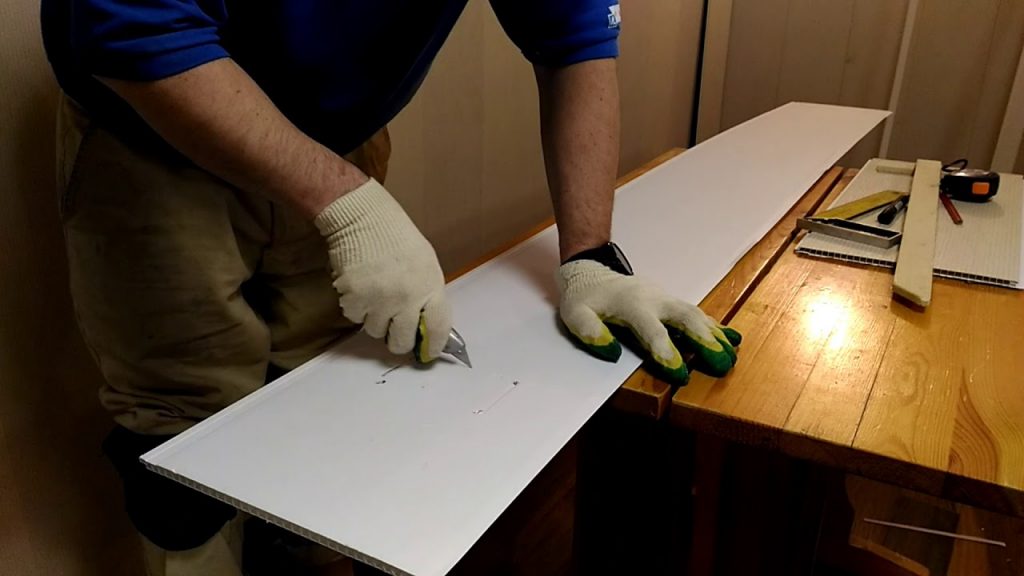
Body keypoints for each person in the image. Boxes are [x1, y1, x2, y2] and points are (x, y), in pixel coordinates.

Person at [40, 1, 742, 574]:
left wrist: (589, 256)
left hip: (339, 136)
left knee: (331, 389)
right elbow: (131, 23)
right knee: (186, 427)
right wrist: (346, 204)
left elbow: (574, 40)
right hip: (156, 135)